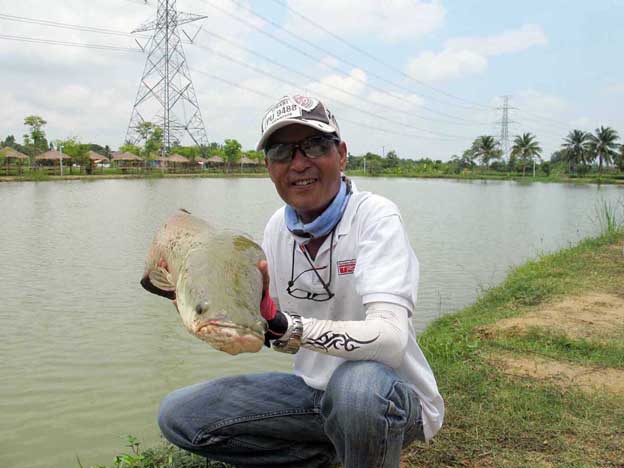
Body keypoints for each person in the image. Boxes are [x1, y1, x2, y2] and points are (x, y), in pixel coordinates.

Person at [158, 95, 444, 468]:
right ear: (268, 167)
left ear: (341, 155)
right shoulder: (278, 227)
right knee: (180, 414)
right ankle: (323, 457)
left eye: (314, 145)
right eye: (281, 151)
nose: (298, 163)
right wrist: (233, 314)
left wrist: (285, 325)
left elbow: (391, 343)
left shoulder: (375, 217)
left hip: (389, 396)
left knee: (357, 390)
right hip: (312, 393)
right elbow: (286, 339)